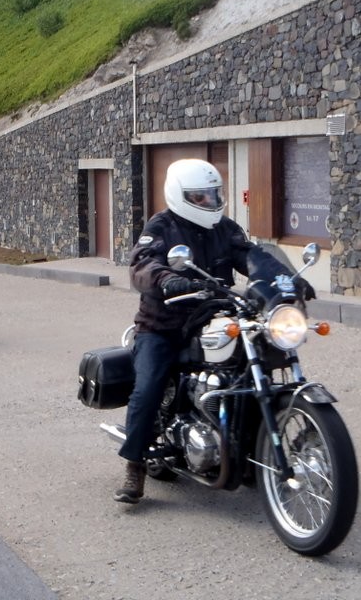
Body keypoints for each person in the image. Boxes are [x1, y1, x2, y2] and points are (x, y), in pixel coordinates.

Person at [114, 159, 314, 504]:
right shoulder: (160, 227)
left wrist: (286, 280)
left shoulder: (226, 228)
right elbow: (143, 264)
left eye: (213, 195)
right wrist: (167, 279)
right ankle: (135, 464)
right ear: (180, 196)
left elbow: (252, 256)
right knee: (147, 390)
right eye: (200, 197)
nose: (210, 203)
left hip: (215, 316)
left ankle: (248, 445)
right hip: (164, 325)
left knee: (251, 368)